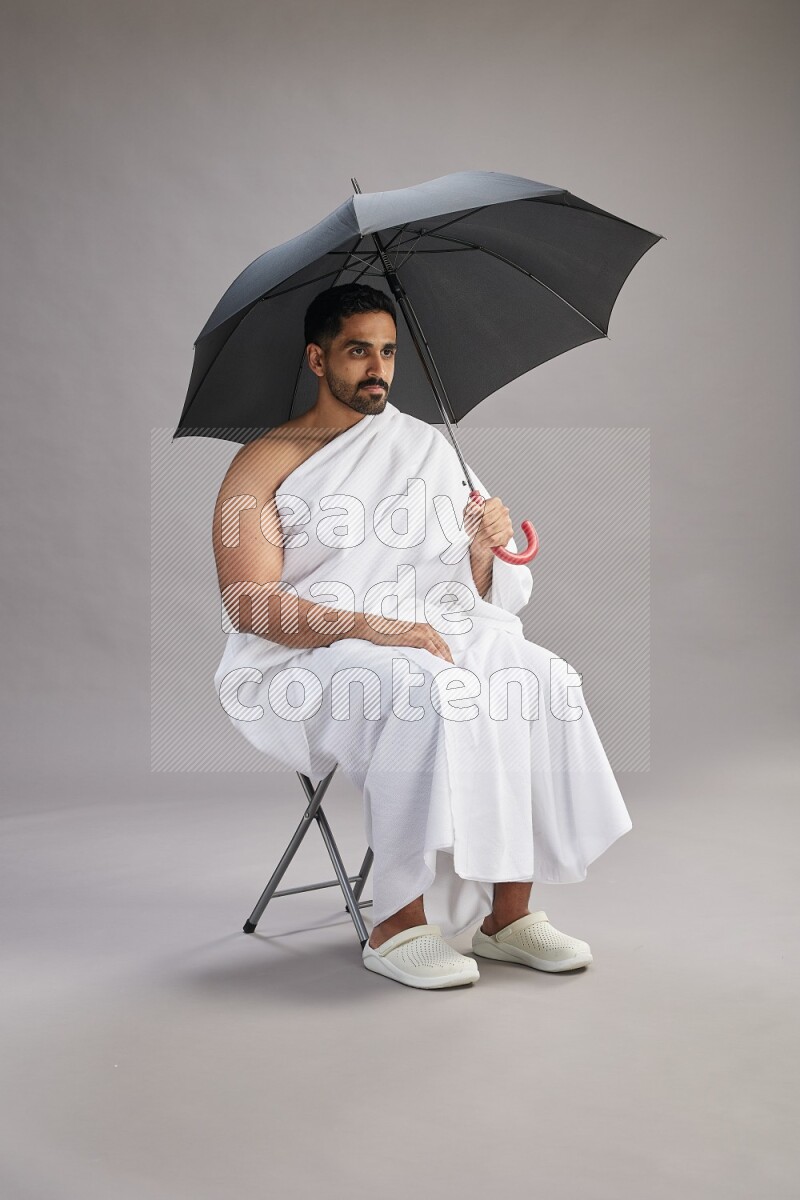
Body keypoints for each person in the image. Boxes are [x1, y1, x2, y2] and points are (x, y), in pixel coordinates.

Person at [212, 282, 633, 991]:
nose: (377, 368)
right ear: (317, 360)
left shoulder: (427, 447)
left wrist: (482, 546)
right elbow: (251, 604)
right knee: (417, 689)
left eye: (387, 352)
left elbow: (470, 592)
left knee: (538, 677)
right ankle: (397, 923)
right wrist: (370, 626)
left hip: (429, 629)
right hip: (311, 653)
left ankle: (509, 916)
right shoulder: (260, 463)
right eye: (357, 352)